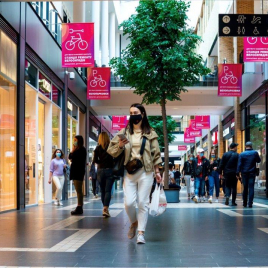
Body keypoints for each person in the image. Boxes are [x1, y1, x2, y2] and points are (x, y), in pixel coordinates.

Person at [107, 103, 162, 244]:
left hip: (146, 171)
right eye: (131, 113)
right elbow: (111, 150)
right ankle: (133, 222)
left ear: (142, 114)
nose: (133, 115)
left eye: (136, 112)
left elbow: (156, 154)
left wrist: (157, 171)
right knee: (129, 203)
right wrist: (120, 145)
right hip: (130, 171)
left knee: (143, 202)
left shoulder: (151, 132)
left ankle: (141, 233)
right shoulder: (124, 132)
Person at [93, 132, 114, 217]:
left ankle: (104, 208)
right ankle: (106, 208)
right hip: (109, 170)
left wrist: (100, 163)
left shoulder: (97, 148)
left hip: (100, 170)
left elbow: (95, 160)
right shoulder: (111, 147)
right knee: (108, 190)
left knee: (102, 190)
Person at [237, 141, 261, 208]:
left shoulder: (241, 154)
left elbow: (239, 164)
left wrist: (237, 173)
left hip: (244, 173)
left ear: (245, 146)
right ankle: (250, 203)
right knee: (251, 188)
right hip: (252, 172)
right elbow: (259, 160)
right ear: (251, 146)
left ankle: (244, 203)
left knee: (245, 188)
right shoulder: (255, 153)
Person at [69, 135, 87, 215]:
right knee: (78, 189)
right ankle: (79, 206)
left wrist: (73, 152)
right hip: (75, 171)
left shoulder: (82, 149)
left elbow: (74, 158)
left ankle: (79, 206)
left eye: (75, 140)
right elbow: (70, 157)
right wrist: (73, 150)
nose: (74, 141)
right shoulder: (76, 149)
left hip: (78, 172)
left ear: (79, 141)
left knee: (79, 190)